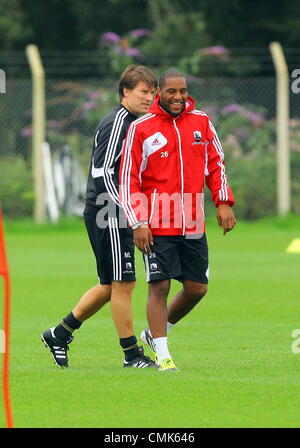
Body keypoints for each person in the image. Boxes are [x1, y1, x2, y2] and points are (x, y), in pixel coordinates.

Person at [41, 65, 158, 369]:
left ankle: (59, 333)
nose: (149, 97)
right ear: (126, 92)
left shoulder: (138, 122)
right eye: (143, 91)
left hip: (113, 211)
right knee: (124, 283)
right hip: (110, 211)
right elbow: (103, 172)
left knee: (111, 285)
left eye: (152, 92)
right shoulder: (119, 122)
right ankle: (132, 356)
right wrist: (130, 212)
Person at [120, 69, 237, 372]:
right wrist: (139, 222)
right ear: (160, 92)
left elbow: (216, 165)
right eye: (171, 91)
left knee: (197, 288)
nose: (178, 97)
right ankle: (163, 354)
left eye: (183, 91)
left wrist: (223, 202)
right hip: (156, 224)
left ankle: (154, 334)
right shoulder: (142, 128)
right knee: (159, 287)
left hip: (193, 221)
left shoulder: (201, 122)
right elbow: (128, 179)